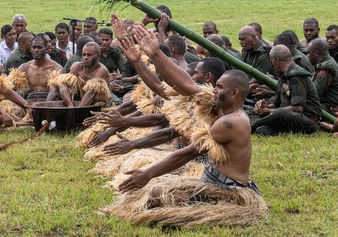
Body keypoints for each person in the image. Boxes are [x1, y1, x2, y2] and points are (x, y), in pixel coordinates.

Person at [106, 22, 266, 228]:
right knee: (156, 192)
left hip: (227, 192)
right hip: (210, 181)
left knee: (156, 194)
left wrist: (147, 174)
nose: (213, 90)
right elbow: (185, 85)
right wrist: (153, 54)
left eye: (218, 87)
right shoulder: (220, 106)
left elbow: (185, 154)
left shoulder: (230, 122)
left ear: (234, 93)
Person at [251, 46, 323, 136]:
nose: (272, 64)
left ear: (276, 59)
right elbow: (277, 104)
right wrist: (265, 107)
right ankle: (271, 130)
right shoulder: (284, 76)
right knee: (251, 112)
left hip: (308, 121)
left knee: (280, 113)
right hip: (288, 117)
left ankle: (251, 127)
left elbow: (298, 108)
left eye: (271, 61)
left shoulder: (297, 76)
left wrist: (269, 111)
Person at [54, 41, 113, 107]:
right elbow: (63, 85)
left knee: (94, 90)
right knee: (63, 83)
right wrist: (70, 105)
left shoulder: (102, 71)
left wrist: (78, 110)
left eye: (89, 55)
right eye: (83, 55)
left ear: (99, 56)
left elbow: (91, 93)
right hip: (80, 102)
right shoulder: (77, 67)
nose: (85, 58)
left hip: (100, 105)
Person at [14, 34, 66, 103]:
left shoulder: (56, 68)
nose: (36, 50)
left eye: (39, 47)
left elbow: (54, 90)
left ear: (47, 49)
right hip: (29, 102)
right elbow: (9, 86)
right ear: (30, 49)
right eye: (34, 47)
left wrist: (44, 106)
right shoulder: (25, 67)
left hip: (49, 102)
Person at [307, 38, 338, 114]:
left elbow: (313, 94)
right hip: (330, 106)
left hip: (334, 110)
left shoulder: (325, 68)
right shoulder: (328, 62)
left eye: (308, 53)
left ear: (316, 53)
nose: (307, 56)